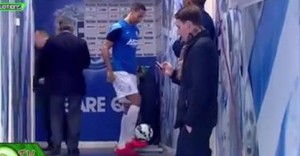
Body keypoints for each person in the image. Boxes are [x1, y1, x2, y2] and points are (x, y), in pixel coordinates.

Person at [159, 5, 219, 156]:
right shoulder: (195, 46)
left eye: (179, 27)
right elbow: (191, 82)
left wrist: (190, 120)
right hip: (195, 119)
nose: (178, 32)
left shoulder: (201, 47)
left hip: (197, 120)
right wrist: (173, 74)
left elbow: (200, 88)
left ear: (189, 25)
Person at [38, 17, 91, 155]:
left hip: (55, 84)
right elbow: (86, 63)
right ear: (72, 28)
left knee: (55, 115)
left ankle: (56, 146)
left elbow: (43, 63)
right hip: (76, 84)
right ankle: (73, 147)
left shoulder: (51, 42)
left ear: (59, 28)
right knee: (74, 115)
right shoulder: (81, 43)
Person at [101, 2, 147, 156]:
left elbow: (129, 53)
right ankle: (128, 141)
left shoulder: (136, 30)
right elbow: (104, 47)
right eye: (139, 16)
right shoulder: (118, 27)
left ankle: (123, 145)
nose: (140, 19)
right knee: (136, 100)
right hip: (119, 71)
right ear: (132, 11)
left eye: (142, 17)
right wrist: (109, 70)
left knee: (128, 108)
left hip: (131, 73)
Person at [34, 30, 52, 151]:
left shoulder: (50, 51)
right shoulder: (38, 52)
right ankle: (51, 142)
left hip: (50, 89)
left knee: (51, 117)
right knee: (47, 117)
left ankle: (53, 142)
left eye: (36, 38)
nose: (34, 41)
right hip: (44, 89)